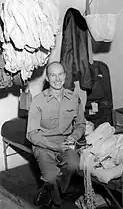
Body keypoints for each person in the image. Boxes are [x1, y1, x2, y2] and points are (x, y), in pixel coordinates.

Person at [26, 61, 86, 208]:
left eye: (60, 74)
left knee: (74, 164)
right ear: (47, 78)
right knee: (51, 176)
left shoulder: (74, 98)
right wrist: (54, 146)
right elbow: (32, 134)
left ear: (65, 76)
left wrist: (74, 137)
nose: (57, 79)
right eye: (53, 75)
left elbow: (80, 124)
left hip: (66, 143)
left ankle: (54, 190)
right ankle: (55, 196)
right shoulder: (38, 101)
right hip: (44, 145)